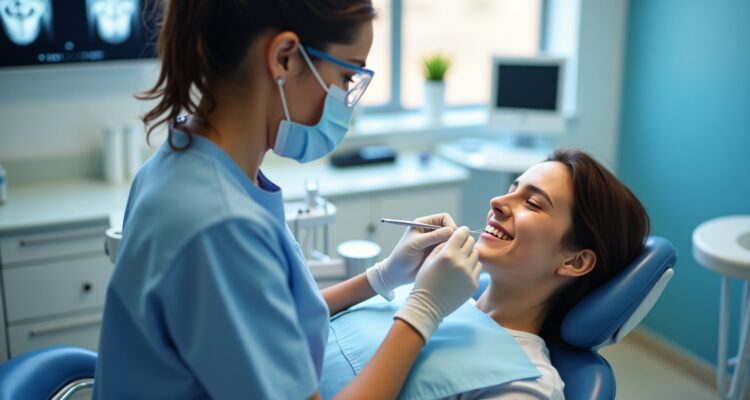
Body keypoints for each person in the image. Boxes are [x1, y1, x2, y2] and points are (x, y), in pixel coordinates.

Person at [93, 1, 481, 399]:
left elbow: (265, 318)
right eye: (347, 76)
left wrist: (383, 276)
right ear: (284, 58)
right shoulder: (220, 224)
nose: (347, 99)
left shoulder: (189, 158)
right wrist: (422, 312)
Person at [320, 149, 651, 399]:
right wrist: (382, 278)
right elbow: (288, 324)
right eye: (511, 188)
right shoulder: (431, 290)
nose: (497, 201)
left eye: (533, 203)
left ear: (575, 262)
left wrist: (423, 311)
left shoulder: (523, 385)